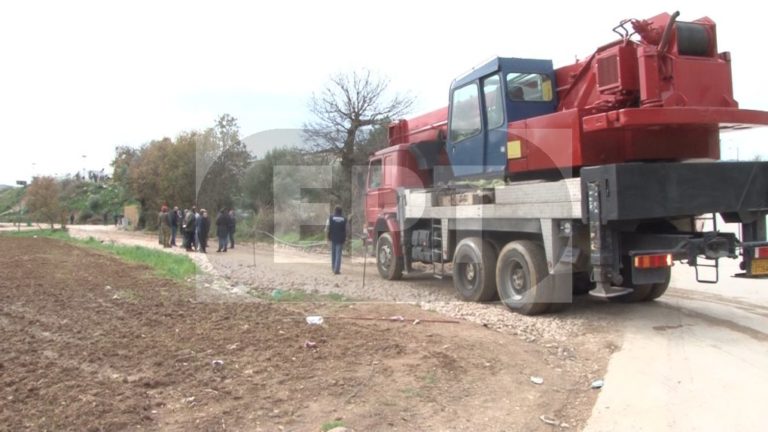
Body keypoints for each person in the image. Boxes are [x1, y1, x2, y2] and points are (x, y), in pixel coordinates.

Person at [327, 206, 347, 275]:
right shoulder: (344, 219)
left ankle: (333, 268)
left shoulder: (331, 217)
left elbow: (330, 228)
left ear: (335, 210)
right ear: (341, 211)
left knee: (333, 253)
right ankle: (336, 270)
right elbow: (345, 230)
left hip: (333, 237)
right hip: (340, 238)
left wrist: (328, 236)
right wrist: (345, 238)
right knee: (338, 254)